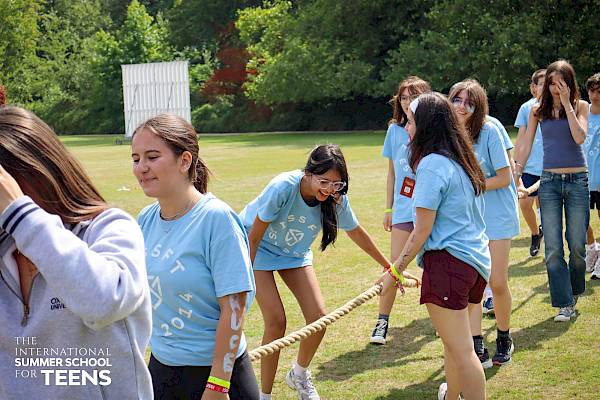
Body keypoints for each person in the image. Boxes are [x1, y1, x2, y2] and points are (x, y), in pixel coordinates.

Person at [240, 144, 419, 400]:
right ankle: (265, 395)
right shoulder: (284, 187)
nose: (329, 189)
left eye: (336, 184)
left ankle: (299, 374)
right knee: (276, 320)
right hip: (258, 248)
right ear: (308, 173)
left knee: (318, 318)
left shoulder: (335, 198)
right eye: (324, 182)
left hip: (294, 253)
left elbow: (356, 232)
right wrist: (243, 283)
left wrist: (390, 268)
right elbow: (254, 237)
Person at [0, 106, 153, 399]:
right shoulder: (5, 249)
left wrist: (20, 214)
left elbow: (104, 301)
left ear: (38, 173)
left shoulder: (110, 228)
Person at [132, 114, 259, 399]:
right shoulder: (146, 219)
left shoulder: (217, 219)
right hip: (162, 370)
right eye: (136, 158)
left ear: (185, 161)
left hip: (216, 376)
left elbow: (234, 307)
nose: (141, 168)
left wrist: (218, 385)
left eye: (152, 157)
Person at [381, 92, 489, 400]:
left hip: (450, 265)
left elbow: (421, 230)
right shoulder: (460, 160)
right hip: (474, 264)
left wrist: (394, 270)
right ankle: (451, 395)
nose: (407, 128)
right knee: (454, 346)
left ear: (427, 125)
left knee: (464, 352)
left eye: (411, 121)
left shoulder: (431, 164)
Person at [449, 79, 519, 367]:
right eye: (457, 99)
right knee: (473, 284)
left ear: (478, 107)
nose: (461, 106)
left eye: (469, 102)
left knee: (497, 282)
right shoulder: (449, 134)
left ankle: (504, 336)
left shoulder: (489, 130)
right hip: (470, 218)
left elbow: (504, 177)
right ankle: (476, 342)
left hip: (498, 213)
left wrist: (472, 186)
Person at [514, 59, 590, 322]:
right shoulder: (537, 110)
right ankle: (564, 303)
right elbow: (525, 144)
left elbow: (579, 137)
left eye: (561, 83)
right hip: (549, 183)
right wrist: (517, 172)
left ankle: (574, 290)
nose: (556, 89)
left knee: (577, 245)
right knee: (554, 247)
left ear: (570, 84)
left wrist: (567, 104)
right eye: (552, 84)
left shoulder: (580, 106)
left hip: (578, 181)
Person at [371, 76, 431, 345]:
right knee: (394, 266)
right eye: (404, 98)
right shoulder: (395, 131)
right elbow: (392, 173)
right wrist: (388, 208)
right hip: (404, 210)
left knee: (433, 267)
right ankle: (382, 322)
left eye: (413, 97)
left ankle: (442, 319)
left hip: (430, 210)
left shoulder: (432, 130)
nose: (407, 103)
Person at [515, 69, 546, 257]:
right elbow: (521, 139)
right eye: (541, 83)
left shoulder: (559, 107)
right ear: (533, 87)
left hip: (550, 167)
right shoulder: (527, 108)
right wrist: (517, 164)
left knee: (547, 208)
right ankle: (536, 233)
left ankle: (550, 246)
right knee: (525, 203)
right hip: (530, 166)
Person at [582, 72, 600, 280]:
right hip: (582, 178)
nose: (594, 96)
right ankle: (593, 248)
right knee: (581, 219)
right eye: (592, 91)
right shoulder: (582, 111)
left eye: (599, 92)